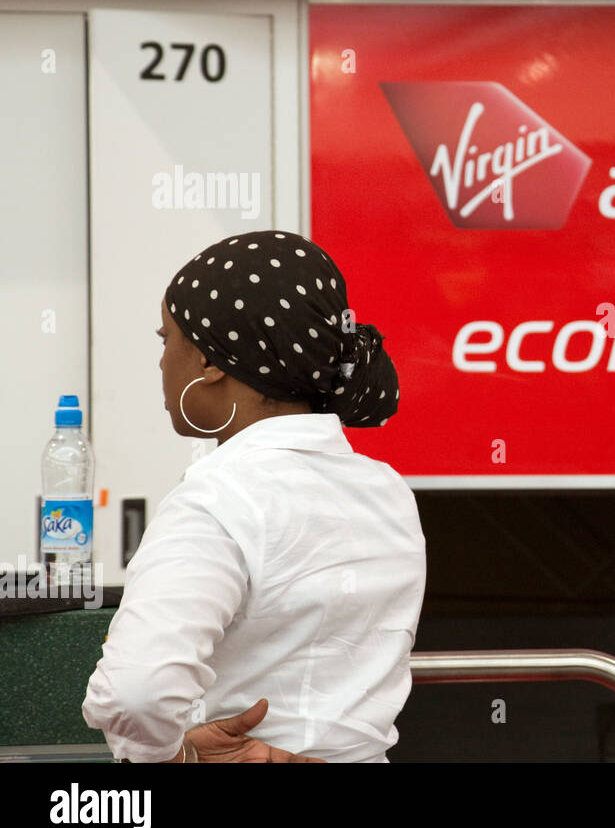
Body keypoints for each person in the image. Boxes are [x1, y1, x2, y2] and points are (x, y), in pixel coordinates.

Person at [82, 230, 426, 763]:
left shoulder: (220, 497)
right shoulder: (387, 491)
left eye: (166, 337)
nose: (160, 361)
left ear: (212, 362)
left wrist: (173, 757)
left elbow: (137, 690)